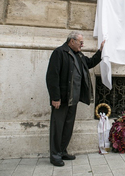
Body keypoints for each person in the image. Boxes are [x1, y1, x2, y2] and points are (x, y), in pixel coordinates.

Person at [46, 31, 105, 167]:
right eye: (80, 42)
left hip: (73, 99)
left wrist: (100, 50)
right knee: (58, 127)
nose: (82, 45)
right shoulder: (59, 53)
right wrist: (55, 98)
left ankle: (62, 151)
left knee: (68, 127)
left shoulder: (78, 55)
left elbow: (90, 63)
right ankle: (55, 155)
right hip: (61, 99)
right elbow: (52, 76)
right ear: (71, 41)